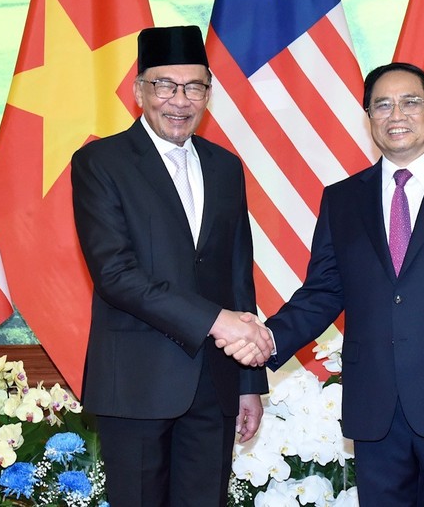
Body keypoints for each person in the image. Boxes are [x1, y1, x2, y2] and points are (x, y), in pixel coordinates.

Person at [223, 62, 424, 506]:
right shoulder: (343, 198)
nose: (396, 114)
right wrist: (267, 341)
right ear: (368, 118)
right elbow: (325, 290)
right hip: (376, 411)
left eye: (410, 102)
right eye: (381, 105)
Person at [71, 25, 273, 507]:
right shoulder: (101, 162)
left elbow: (237, 277)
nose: (179, 100)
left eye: (194, 87)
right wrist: (217, 321)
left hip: (215, 386)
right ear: (140, 89)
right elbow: (116, 274)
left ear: (209, 93)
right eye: (165, 84)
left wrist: (249, 385)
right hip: (137, 383)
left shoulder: (225, 166)